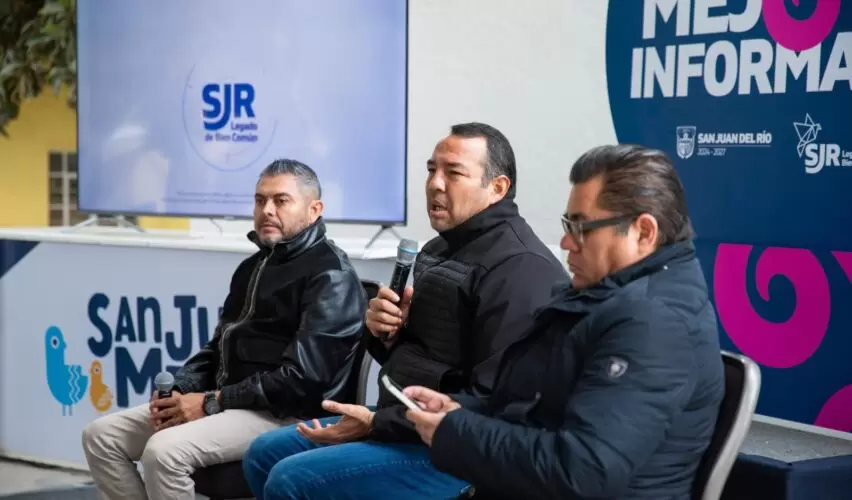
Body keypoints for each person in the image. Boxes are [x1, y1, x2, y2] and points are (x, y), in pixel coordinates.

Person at [243, 122, 568, 499]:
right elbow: (421, 356)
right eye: (432, 169)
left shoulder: (521, 269)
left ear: (497, 188)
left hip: (465, 453)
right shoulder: (437, 250)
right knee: (262, 454)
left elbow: (497, 404)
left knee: (291, 478)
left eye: (454, 173)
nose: (435, 183)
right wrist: (387, 333)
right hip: (405, 422)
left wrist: (377, 423)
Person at [404, 144, 727, 499]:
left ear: (643, 233)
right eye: (567, 224)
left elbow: (582, 471)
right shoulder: (605, 295)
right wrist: (460, 412)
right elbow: (534, 406)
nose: (566, 241)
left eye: (581, 227)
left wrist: (457, 432)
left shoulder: (652, 322)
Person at [80, 159, 368, 500]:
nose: (267, 210)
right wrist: (181, 386)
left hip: (290, 414)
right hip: (231, 403)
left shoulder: (330, 275)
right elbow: (218, 347)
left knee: (164, 451)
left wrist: (211, 403)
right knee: (101, 436)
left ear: (314, 209)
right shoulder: (252, 267)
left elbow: (304, 381)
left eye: (281, 200)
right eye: (260, 200)